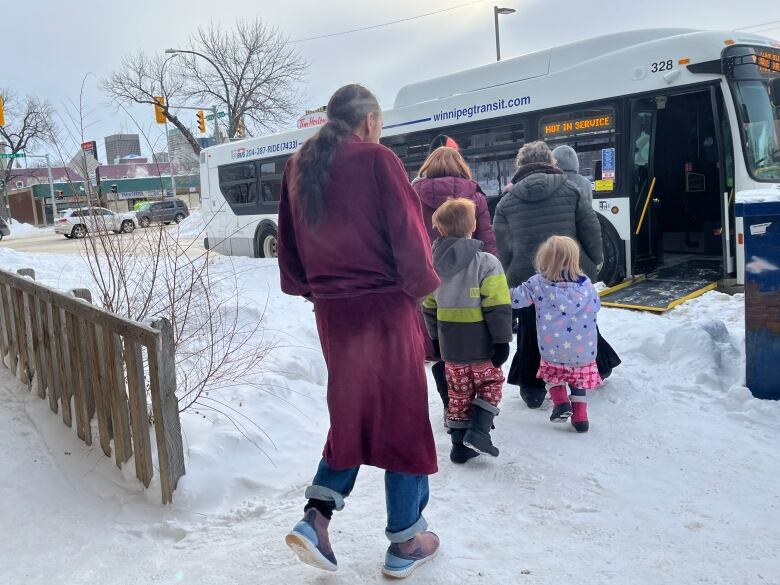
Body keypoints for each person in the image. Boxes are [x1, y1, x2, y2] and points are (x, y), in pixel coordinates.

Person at [278, 84, 441, 579]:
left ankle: (316, 517)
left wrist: (319, 291)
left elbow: (288, 246)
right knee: (405, 419)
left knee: (352, 414)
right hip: (384, 310)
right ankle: (406, 540)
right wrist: (423, 293)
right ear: (369, 120)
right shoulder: (377, 160)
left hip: (334, 314)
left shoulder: (298, 166)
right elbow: (410, 238)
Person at [493, 140, 619, 409]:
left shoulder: (506, 203)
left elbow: (503, 246)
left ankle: (532, 387)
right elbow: (590, 228)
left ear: (520, 167)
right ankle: (597, 366)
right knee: (581, 323)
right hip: (571, 271)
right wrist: (593, 262)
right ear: (550, 162)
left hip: (529, 278)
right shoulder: (570, 189)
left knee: (530, 330)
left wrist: (511, 273)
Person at [421, 198, 512, 462]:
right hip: (482, 345)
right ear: (473, 226)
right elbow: (497, 305)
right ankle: (479, 431)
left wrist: (436, 340)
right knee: (490, 384)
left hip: (450, 345)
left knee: (458, 394)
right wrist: (502, 340)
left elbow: (428, 306)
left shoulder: (432, 264)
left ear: (440, 229)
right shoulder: (487, 262)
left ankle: (458, 446)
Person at [412, 146, 498, 417]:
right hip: (470, 284)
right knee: (473, 347)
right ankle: (475, 406)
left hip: (427, 281)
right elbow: (488, 241)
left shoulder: (413, 195)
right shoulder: (476, 196)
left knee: (438, 348)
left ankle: (453, 406)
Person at [510, 235, 603, 432]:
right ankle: (580, 418)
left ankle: (560, 403)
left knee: (553, 376)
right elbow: (596, 306)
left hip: (553, 349)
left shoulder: (537, 283)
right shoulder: (586, 284)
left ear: (544, 260)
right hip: (582, 351)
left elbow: (516, 299)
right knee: (578, 382)